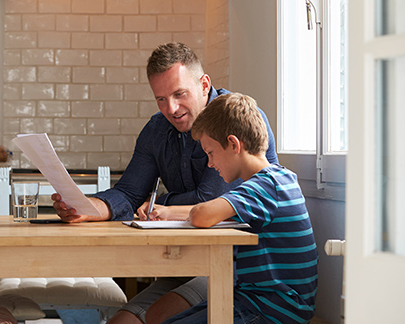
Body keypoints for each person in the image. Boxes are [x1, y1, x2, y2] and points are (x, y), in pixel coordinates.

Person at [51, 42, 279, 324]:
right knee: (122, 323)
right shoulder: (157, 129)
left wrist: (160, 205)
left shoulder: (233, 120)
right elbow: (129, 192)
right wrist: (85, 209)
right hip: (182, 263)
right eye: (160, 98)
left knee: (161, 316)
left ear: (204, 84)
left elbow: (208, 201)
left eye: (179, 94)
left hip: (236, 266)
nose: (171, 108)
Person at [161, 92, 318, 323]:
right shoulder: (278, 179)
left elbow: (202, 215)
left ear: (234, 144)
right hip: (262, 300)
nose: (211, 163)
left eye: (211, 153)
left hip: (273, 308)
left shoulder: (265, 186)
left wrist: (185, 211)